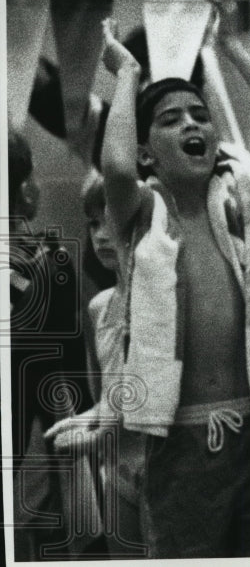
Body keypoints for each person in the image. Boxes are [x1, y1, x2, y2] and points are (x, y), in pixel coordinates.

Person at [96, 0, 250, 558]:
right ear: (148, 153)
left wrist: (231, 46)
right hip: (180, 439)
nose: (191, 123)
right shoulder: (141, 217)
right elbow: (115, 167)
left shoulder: (242, 204)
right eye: (170, 120)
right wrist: (128, 75)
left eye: (199, 115)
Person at [8, 127, 98, 560]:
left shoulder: (44, 261)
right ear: (25, 190)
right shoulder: (47, 261)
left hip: (36, 458)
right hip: (38, 457)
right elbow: (70, 383)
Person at [45, 171, 145, 556]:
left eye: (110, 219)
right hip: (117, 473)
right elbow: (107, 396)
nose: (101, 234)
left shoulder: (161, 300)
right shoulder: (99, 308)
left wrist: (101, 428)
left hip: (162, 469)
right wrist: (91, 419)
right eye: (93, 223)